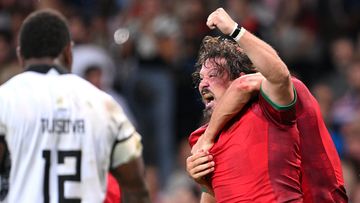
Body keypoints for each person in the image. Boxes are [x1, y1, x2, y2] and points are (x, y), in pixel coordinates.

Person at [186, 8, 348, 203]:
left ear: (241, 75)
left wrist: (234, 30)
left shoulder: (268, 107)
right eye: (201, 78)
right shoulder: (201, 139)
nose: (203, 84)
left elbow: (271, 78)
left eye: (213, 75)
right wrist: (203, 180)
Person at [0, 9, 150, 203]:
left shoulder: (5, 99)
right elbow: (136, 188)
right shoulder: (104, 104)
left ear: (21, 56)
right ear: (69, 53)